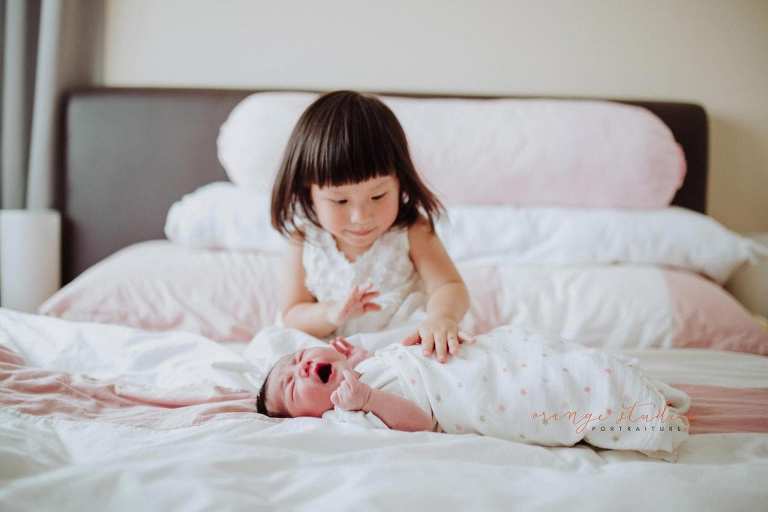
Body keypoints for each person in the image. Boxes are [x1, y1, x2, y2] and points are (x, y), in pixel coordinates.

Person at [255, 326, 691, 461]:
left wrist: (366, 357)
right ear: (306, 418)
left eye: (298, 357)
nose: (301, 366)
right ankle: (626, 404)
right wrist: (367, 399)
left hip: (483, 361)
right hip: (474, 395)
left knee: (544, 359)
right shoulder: (349, 413)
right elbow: (420, 421)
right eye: (292, 385)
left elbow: (404, 364)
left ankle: (613, 381)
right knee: (546, 391)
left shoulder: (364, 368)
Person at [269, 90, 473, 363]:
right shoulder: (304, 240)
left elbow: (448, 285)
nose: (360, 217)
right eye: (340, 201)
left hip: (401, 344)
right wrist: (331, 313)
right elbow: (292, 314)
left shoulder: (412, 230)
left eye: (378, 196)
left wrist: (441, 317)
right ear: (308, 191)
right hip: (332, 354)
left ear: (400, 181)